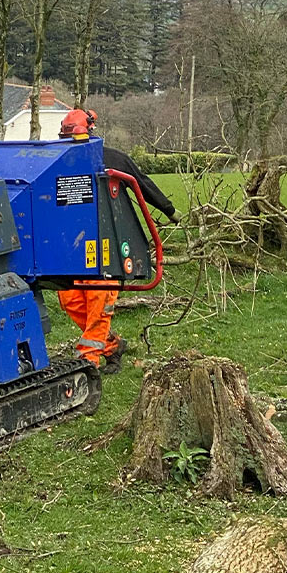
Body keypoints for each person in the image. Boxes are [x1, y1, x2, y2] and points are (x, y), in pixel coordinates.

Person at [56, 107, 176, 373]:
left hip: (107, 248)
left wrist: (169, 210)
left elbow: (142, 184)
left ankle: (87, 364)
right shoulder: (58, 163)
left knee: (98, 301)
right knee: (71, 300)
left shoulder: (113, 159)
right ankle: (111, 346)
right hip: (75, 249)